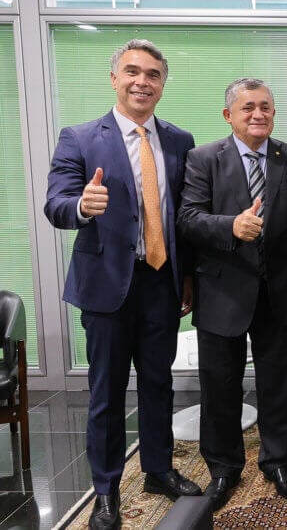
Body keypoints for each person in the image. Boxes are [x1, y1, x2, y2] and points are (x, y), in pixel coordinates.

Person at [44, 39, 201, 529]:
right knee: (106, 393)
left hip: (161, 281)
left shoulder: (179, 140)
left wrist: (188, 275)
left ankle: (157, 469)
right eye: (132, 72)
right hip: (107, 285)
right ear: (114, 78)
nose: (142, 81)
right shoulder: (80, 137)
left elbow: (184, 216)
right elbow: (56, 203)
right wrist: (79, 207)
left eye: (153, 74)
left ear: (162, 84)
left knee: (159, 385)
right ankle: (107, 490)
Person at [177, 78, 287, 510]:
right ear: (229, 115)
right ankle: (224, 469)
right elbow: (187, 217)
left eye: (266, 107)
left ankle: (277, 460)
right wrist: (230, 226)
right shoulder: (203, 159)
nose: (258, 114)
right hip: (222, 290)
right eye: (248, 108)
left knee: (279, 383)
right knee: (219, 386)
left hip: (280, 288)